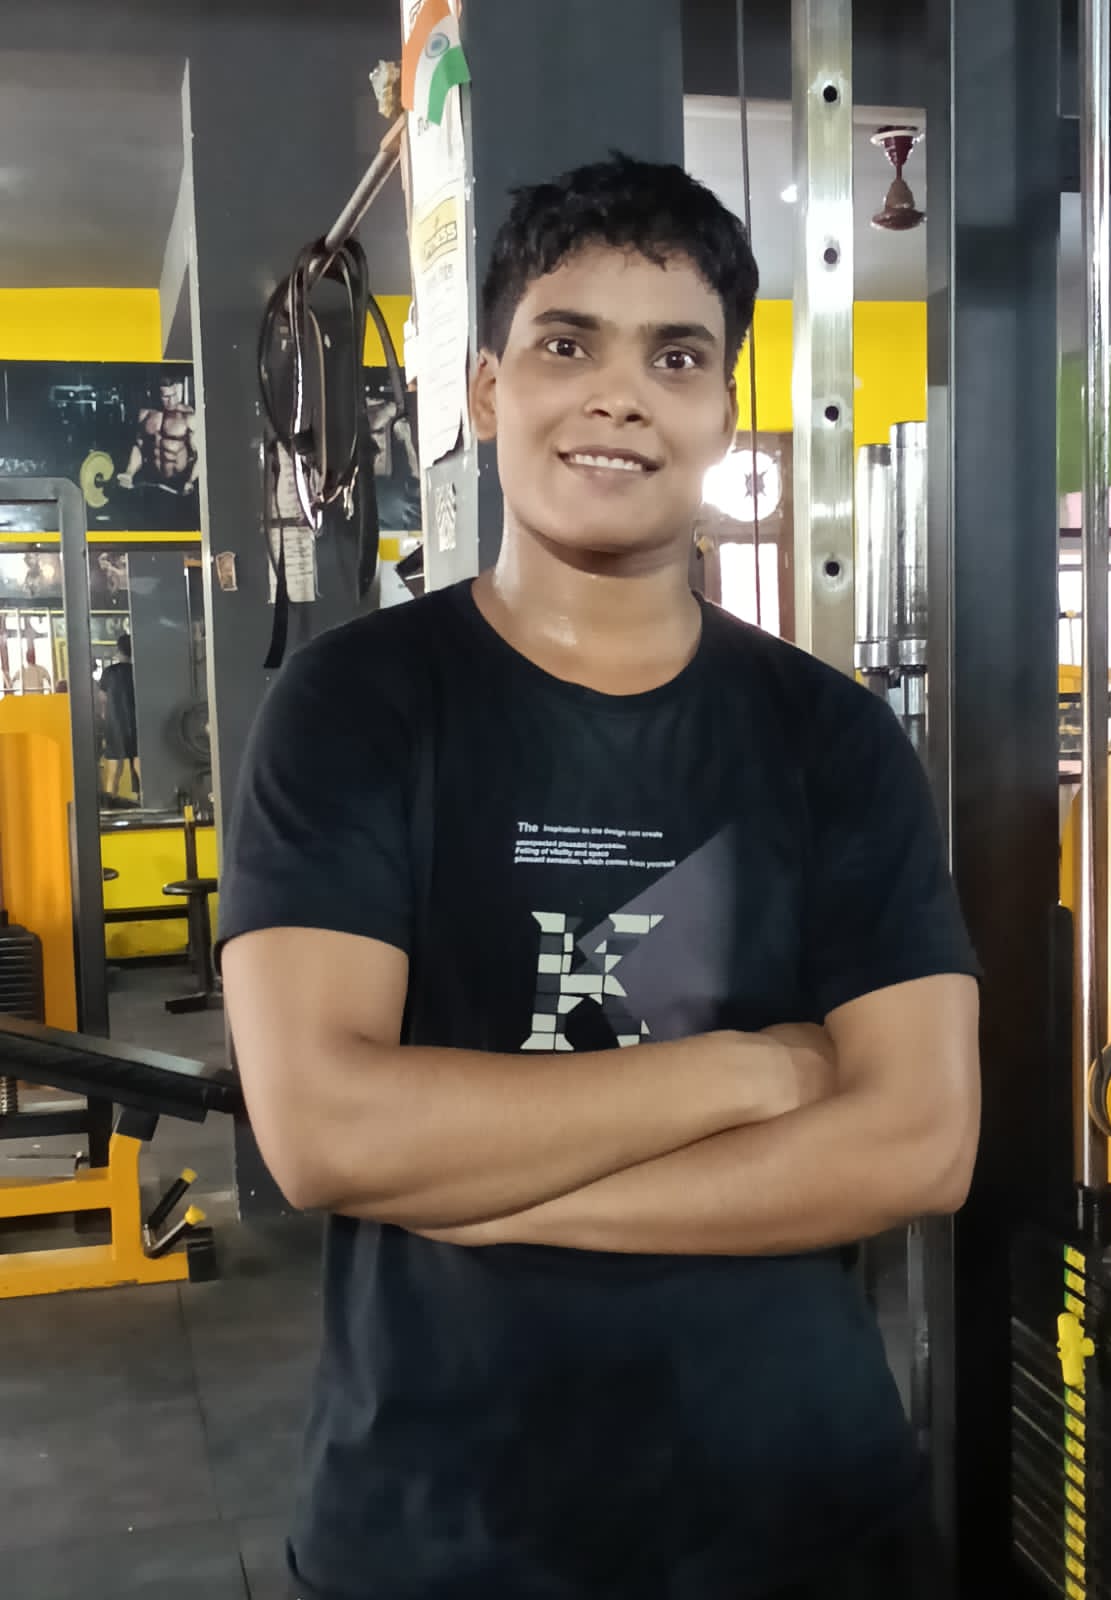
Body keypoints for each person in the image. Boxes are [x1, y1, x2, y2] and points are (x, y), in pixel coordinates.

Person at [220, 154, 981, 1600]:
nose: (620, 396)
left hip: (802, 1524)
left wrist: (478, 1187)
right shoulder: (357, 707)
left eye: (675, 357)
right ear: (487, 388)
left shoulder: (831, 738)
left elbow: (918, 1146)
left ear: (724, 413)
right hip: (440, 1531)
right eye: (568, 345)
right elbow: (322, 1129)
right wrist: (752, 1072)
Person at [118, 373, 199, 497]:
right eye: (166, 397)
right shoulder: (145, 415)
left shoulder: (188, 416)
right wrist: (129, 473)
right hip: (152, 482)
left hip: (178, 485)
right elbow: (139, 448)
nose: (172, 401)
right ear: (157, 394)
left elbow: (200, 455)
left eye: (174, 395)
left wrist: (190, 480)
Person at [97, 633, 139, 802]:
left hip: (114, 726)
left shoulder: (109, 673)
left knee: (114, 771)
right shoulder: (137, 671)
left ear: (118, 650)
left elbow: (102, 698)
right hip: (136, 725)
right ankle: (148, 804)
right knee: (140, 769)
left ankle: (110, 805)